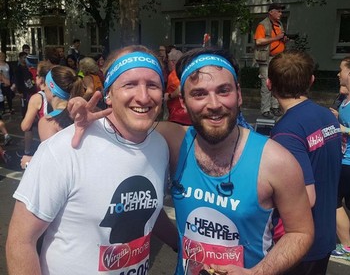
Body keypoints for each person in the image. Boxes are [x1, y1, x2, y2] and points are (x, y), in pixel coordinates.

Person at [68, 47, 314, 274]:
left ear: (238, 95)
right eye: (199, 94)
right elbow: (128, 122)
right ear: (184, 102)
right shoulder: (173, 140)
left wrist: (257, 273)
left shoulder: (277, 161)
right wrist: (93, 120)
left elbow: (301, 232)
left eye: (223, 90)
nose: (214, 104)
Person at [6, 45, 177, 274]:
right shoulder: (65, 149)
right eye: (130, 84)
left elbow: (145, 209)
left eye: (153, 85)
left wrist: (182, 245)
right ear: (108, 94)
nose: (143, 96)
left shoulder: (159, 146)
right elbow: (21, 242)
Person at [268, 50, 342, 275]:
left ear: (269, 84)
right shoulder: (328, 116)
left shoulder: (286, 132)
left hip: (299, 243)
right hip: (325, 233)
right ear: (311, 80)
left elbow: (306, 197)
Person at [329, 56, 350, 260]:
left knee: (334, 201)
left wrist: (343, 128)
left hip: (348, 163)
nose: (338, 74)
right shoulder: (344, 100)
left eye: (341, 70)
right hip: (343, 160)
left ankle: (347, 246)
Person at [254, 2, 287, 119]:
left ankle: (275, 106)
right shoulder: (262, 25)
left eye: (281, 11)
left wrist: (284, 40)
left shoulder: (279, 24)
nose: (280, 13)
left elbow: (277, 40)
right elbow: (258, 41)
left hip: (278, 58)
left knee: (277, 82)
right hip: (266, 59)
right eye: (278, 11)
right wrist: (276, 38)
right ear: (271, 12)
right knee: (266, 84)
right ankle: (265, 109)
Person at [20, 61, 53, 169]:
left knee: (25, 163)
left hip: (49, 145)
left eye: (37, 75)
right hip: (65, 141)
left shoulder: (38, 97)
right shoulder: (60, 92)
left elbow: (25, 126)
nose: (35, 77)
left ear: (41, 78)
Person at [165, 48, 191, 125]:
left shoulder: (174, 74)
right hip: (186, 115)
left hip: (178, 116)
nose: (167, 63)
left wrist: (169, 96)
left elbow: (181, 88)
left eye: (168, 61)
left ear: (173, 62)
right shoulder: (186, 71)